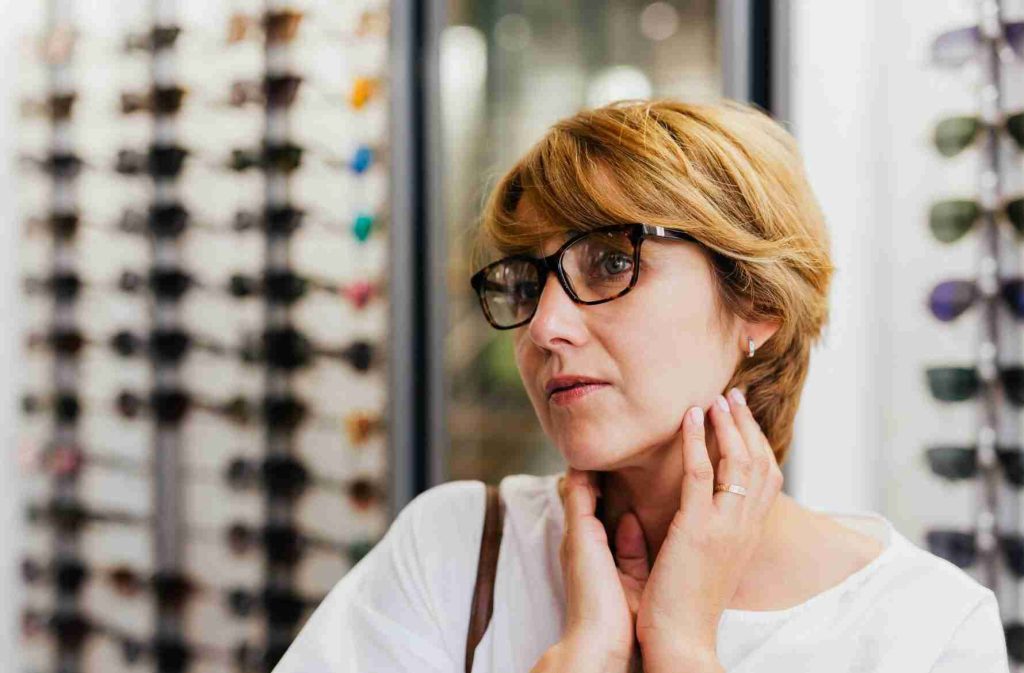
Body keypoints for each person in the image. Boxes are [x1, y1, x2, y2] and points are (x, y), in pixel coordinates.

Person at [272, 98, 1009, 672]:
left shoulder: (921, 628)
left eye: (609, 261)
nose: (543, 327)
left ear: (759, 303)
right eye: (527, 281)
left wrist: (683, 646)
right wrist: (583, 655)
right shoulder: (459, 547)